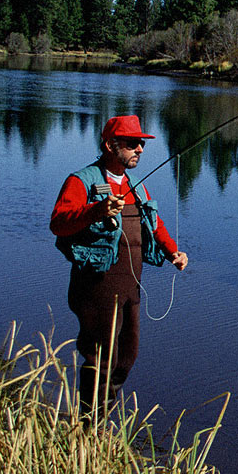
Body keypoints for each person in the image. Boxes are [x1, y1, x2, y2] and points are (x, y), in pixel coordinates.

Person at [50, 114, 188, 413]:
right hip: (96, 285)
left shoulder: (136, 186)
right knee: (100, 357)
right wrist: (95, 211)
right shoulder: (81, 181)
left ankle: (101, 417)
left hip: (130, 286)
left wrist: (173, 252)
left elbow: (155, 223)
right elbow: (59, 223)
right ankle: (89, 426)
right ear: (111, 145)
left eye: (141, 144)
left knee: (127, 356)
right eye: (133, 144)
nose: (140, 149)